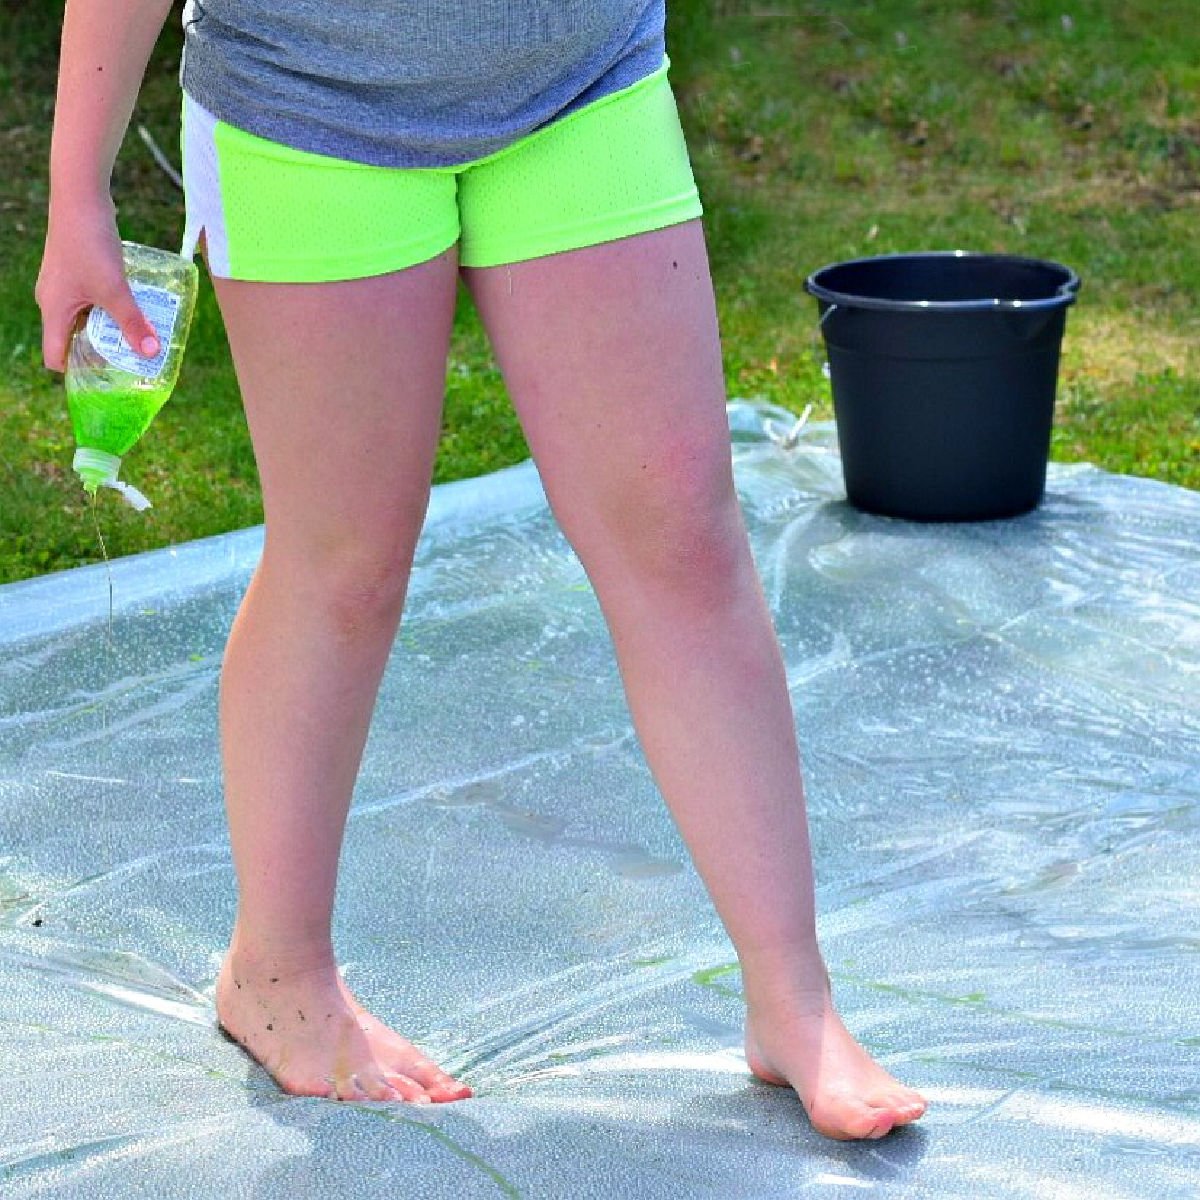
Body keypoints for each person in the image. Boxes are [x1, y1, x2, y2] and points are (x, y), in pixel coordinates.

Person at [36, 0, 928, 1139]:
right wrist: (79, 195)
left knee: (681, 536)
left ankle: (793, 1001)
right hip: (309, 102)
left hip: (581, 72)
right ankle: (276, 975)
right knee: (344, 564)